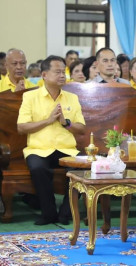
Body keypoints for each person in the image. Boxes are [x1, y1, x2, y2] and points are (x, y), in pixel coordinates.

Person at [17, 55, 86, 225]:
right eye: (57, 72)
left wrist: (66, 123)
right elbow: (21, 127)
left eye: (64, 72)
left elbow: (82, 128)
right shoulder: (30, 97)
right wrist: (47, 121)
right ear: (44, 75)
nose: (62, 75)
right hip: (39, 149)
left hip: (66, 148)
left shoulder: (72, 98)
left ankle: (65, 212)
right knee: (38, 168)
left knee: (82, 170)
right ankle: (48, 213)